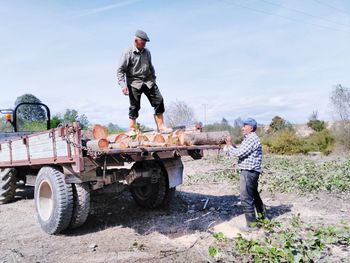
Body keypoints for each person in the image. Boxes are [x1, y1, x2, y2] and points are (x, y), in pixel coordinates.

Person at [117, 30, 172, 133]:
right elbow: (120, 71)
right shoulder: (127, 53)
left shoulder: (147, 52)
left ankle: (161, 127)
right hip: (134, 83)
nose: (144, 45)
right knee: (135, 106)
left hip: (148, 81)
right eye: (142, 43)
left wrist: (153, 79)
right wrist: (123, 85)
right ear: (136, 41)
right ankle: (133, 129)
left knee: (159, 100)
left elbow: (151, 67)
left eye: (145, 43)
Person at [223, 118, 265, 232]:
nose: (242, 128)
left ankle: (251, 225)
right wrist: (231, 145)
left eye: (245, 126)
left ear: (251, 128)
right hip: (251, 171)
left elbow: (239, 153)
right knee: (254, 195)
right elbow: (242, 151)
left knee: (246, 198)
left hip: (249, 171)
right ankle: (262, 218)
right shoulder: (249, 139)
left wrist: (229, 145)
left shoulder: (251, 139)